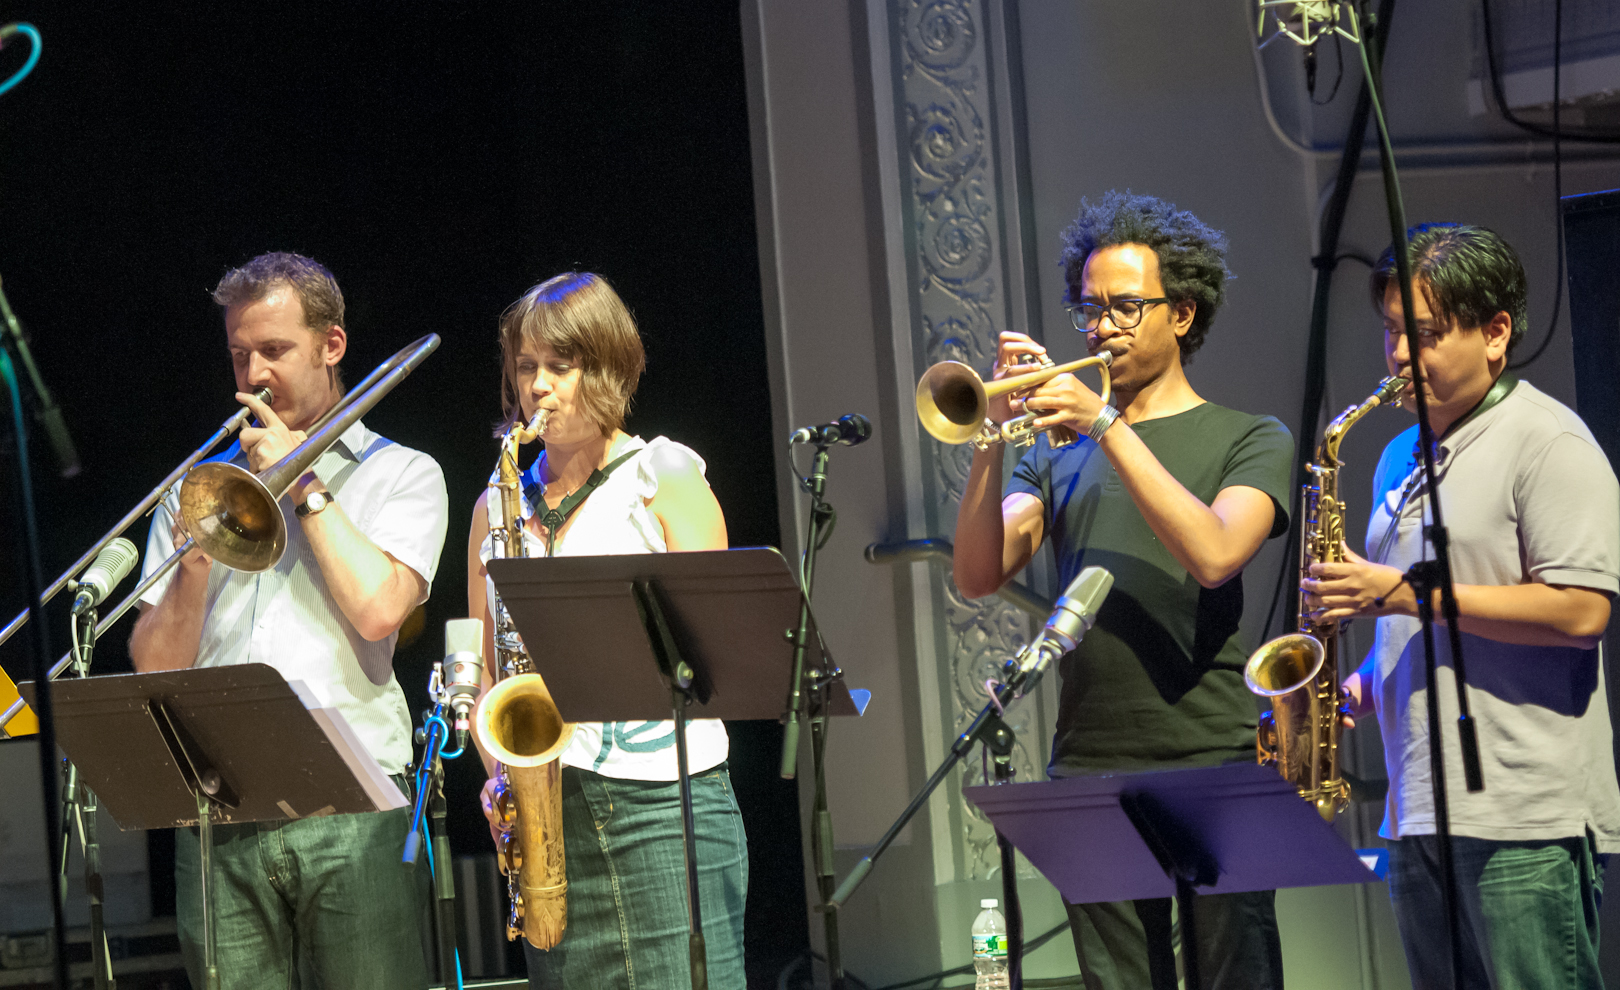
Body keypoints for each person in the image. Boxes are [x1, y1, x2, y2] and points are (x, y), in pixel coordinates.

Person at [953, 191, 1294, 990]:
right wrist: (988, 439)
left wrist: (1108, 426)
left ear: (1180, 314)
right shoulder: (1053, 457)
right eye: (1089, 309)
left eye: (1123, 308)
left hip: (1213, 760)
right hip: (1090, 765)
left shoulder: (1250, 437)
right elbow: (976, 573)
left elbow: (1215, 552)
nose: (1101, 326)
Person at [1303, 223, 1620, 989]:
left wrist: (1402, 592)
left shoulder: (1548, 443)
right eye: (1391, 334)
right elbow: (1420, 619)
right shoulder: (1395, 456)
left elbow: (1583, 613)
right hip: (1418, 813)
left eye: (1427, 335)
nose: (1401, 357)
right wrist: (1359, 688)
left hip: (1523, 819)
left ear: (1496, 332)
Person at [129, 252, 449, 989]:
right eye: (240, 354)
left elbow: (378, 613)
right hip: (218, 807)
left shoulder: (402, 473)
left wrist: (301, 477)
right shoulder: (197, 486)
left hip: (353, 801)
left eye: (275, 350)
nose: (253, 375)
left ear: (331, 346)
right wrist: (196, 559)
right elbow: (155, 666)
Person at [465, 272, 748, 989]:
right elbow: (484, 675)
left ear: (610, 365)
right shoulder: (496, 507)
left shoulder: (664, 474)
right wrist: (500, 775)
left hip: (661, 804)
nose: (539, 387)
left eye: (561, 365)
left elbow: (715, 650)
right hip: (548, 813)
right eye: (526, 367)